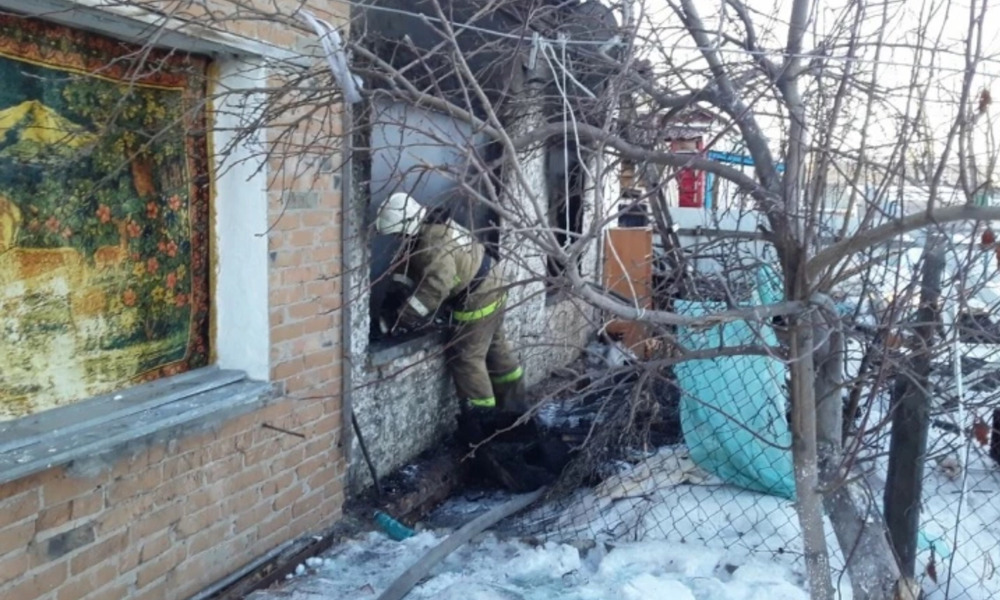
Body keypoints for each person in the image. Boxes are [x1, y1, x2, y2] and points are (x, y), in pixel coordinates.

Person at [375, 193, 529, 441]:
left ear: (406, 226)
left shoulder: (432, 246)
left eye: (397, 234)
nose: (397, 239)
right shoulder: (432, 224)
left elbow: (434, 289)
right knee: (496, 348)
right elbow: (410, 263)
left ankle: (484, 426)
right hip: (494, 283)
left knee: (467, 357)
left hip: (478, 296)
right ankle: (516, 412)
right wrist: (396, 292)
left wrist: (400, 319)